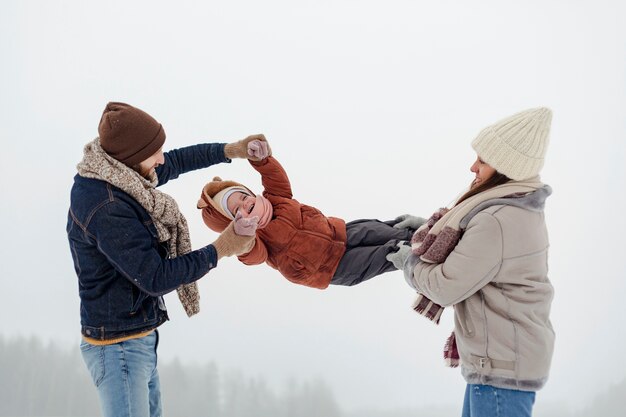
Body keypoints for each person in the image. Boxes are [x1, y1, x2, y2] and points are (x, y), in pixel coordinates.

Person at [66, 101, 265, 417]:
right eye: (153, 153)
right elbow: (155, 277)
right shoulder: (106, 206)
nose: (161, 160)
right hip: (118, 350)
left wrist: (233, 149)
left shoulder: (122, 173)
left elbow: (176, 160)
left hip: (138, 336)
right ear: (131, 158)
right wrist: (222, 247)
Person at [387, 107, 555, 417]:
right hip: (504, 364)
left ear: (506, 168)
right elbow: (478, 252)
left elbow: (445, 287)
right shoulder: (516, 208)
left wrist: (409, 263)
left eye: (483, 160)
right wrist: (425, 228)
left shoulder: (498, 220)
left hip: (502, 370)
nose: (472, 167)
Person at [197, 147, 425, 289]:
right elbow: (253, 255)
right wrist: (242, 239)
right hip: (329, 267)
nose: (245, 204)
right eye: (237, 210)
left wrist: (262, 160)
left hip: (338, 231)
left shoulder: (275, 198)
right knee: (386, 254)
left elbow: (274, 177)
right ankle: (414, 254)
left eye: (241, 197)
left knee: (377, 230)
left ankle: (420, 231)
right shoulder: (256, 239)